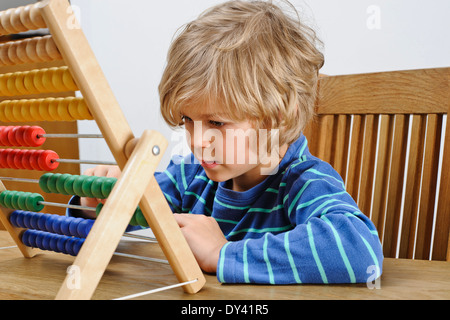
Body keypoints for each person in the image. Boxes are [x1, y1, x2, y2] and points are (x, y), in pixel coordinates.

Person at [71, 0, 383, 284]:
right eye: (187, 121)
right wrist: (98, 203)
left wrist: (223, 254)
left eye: (216, 123)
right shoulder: (191, 176)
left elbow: (359, 248)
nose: (197, 141)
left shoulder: (302, 181)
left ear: (278, 119)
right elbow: (134, 215)